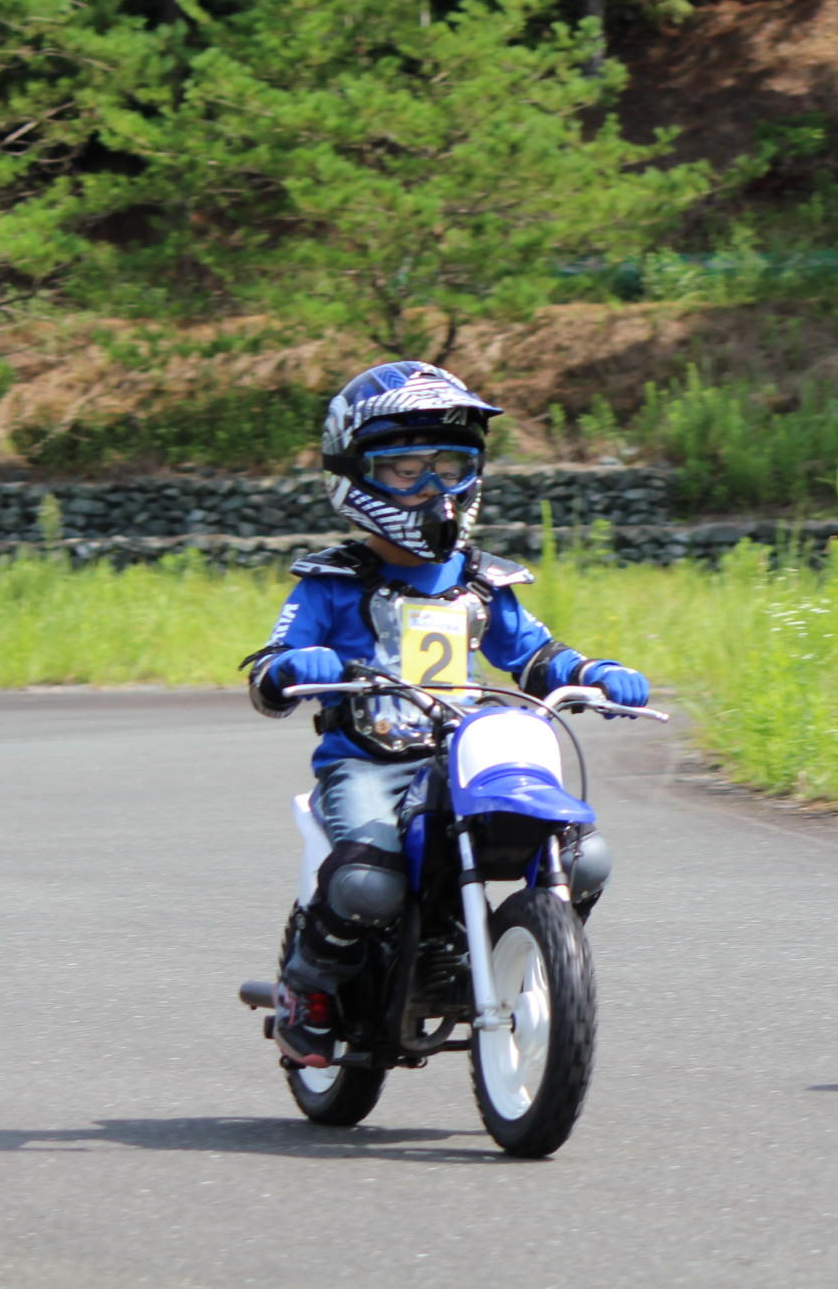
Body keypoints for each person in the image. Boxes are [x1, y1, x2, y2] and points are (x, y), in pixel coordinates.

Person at [241, 362, 653, 1067]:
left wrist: (592, 674)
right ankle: (306, 994)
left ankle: (521, 951)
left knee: (583, 857)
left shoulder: (483, 582)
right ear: (355, 472)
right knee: (367, 879)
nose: (434, 489)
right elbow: (272, 666)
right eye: (406, 470)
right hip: (370, 761)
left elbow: (533, 655)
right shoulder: (332, 580)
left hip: (467, 756)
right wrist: (294, 666)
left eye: (451, 465)